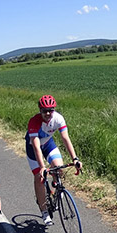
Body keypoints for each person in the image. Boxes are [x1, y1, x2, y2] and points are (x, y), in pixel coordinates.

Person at [25, 94, 82, 226]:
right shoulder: (34, 122)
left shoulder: (58, 119)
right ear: (40, 110)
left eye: (51, 110)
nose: (48, 113)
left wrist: (75, 158)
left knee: (59, 167)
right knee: (39, 178)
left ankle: (56, 190)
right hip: (33, 149)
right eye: (45, 110)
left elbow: (65, 138)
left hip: (48, 144)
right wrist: (42, 167)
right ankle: (44, 211)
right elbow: (36, 147)